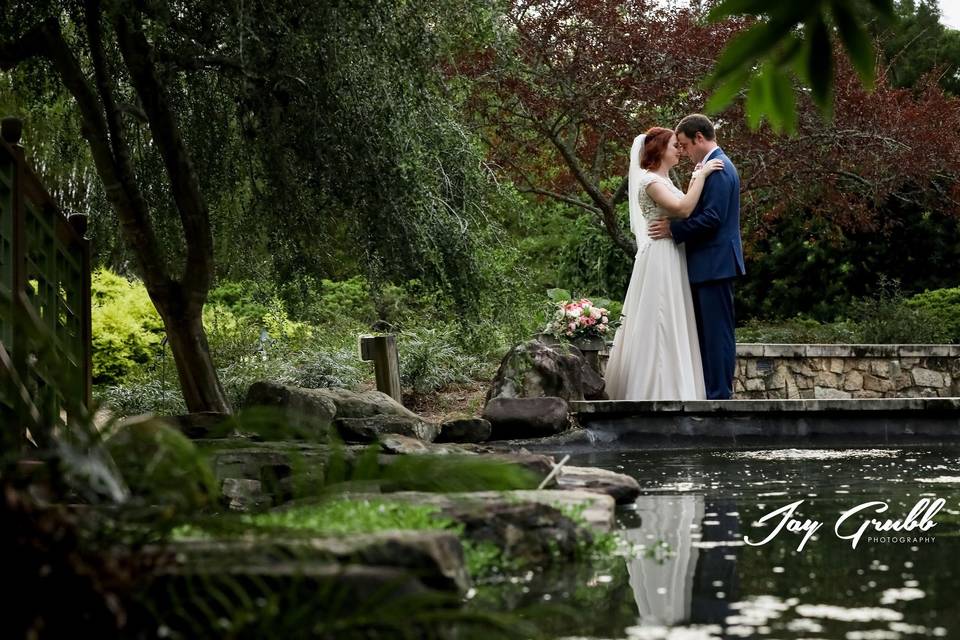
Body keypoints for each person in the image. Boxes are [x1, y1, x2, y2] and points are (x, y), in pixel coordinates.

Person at [604, 126, 723, 400]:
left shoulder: (666, 180)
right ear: (659, 150)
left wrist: (695, 180)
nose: (679, 150)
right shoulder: (650, 181)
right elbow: (683, 209)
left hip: (672, 253)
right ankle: (654, 388)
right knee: (659, 316)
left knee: (671, 317)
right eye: (674, 146)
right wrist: (702, 175)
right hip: (660, 255)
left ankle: (675, 385)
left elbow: (683, 206)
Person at [648, 114, 745, 400]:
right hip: (709, 263)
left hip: (715, 263)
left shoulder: (719, 169)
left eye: (685, 145)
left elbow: (712, 218)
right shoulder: (710, 167)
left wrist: (674, 229)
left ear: (700, 138)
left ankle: (719, 394)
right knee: (707, 332)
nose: (684, 151)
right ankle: (712, 391)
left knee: (717, 333)